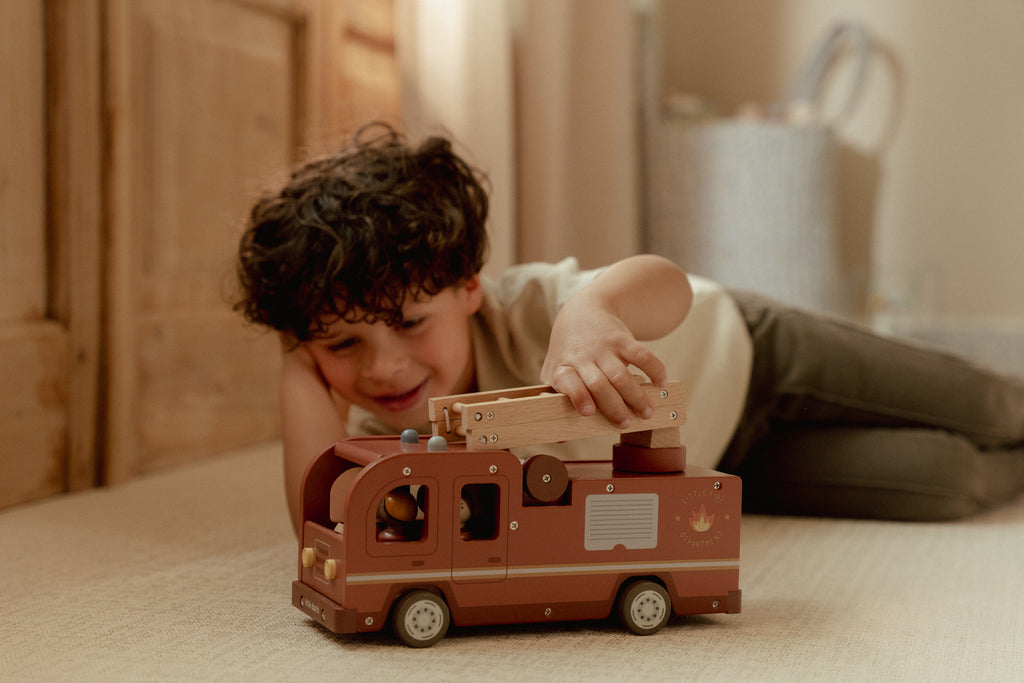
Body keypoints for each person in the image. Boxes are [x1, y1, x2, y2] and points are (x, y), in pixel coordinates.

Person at [235, 122, 1024, 533]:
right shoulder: (387, 433)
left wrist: (591, 314)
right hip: (717, 455)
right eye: (340, 344)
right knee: (947, 480)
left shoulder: (534, 307)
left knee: (988, 405)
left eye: (409, 321)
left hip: (754, 350)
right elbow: (330, 523)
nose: (382, 366)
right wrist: (299, 369)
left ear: (469, 285)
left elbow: (666, 282)